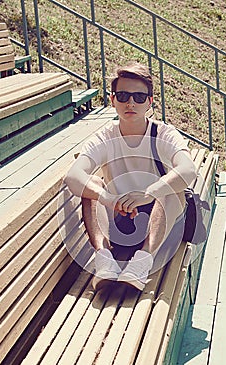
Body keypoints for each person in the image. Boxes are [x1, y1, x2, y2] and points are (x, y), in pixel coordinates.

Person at [64, 62, 197, 291]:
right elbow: (73, 176)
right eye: (123, 95)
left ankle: (141, 264)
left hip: (161, 221)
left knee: (171, 188)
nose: (131, 103)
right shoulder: (105, 137)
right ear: (113, 99)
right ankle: (104, 260)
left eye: (139, 96)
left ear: (150, 102)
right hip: (120, 219)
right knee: (92, 185)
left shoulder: (163, 133)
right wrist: (108, 198)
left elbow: (188, 170)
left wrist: (149, 193)